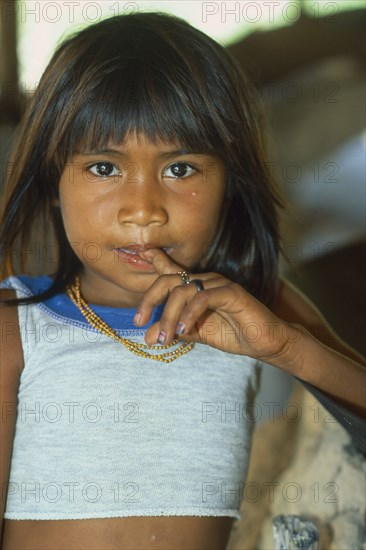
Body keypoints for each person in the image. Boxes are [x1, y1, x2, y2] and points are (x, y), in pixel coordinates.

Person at [0, 12, 364, 550]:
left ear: (229, 181)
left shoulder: (251, 305)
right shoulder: (17, 329)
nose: (143, 210)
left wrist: (287, 346)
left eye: (180, 169)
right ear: (55, 179)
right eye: (104, 167)